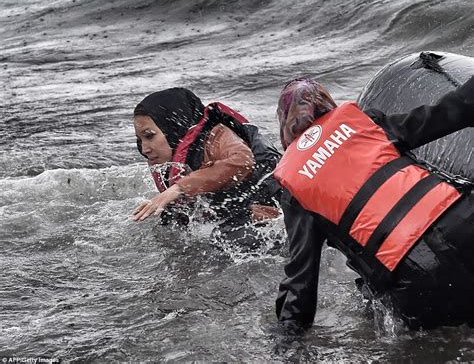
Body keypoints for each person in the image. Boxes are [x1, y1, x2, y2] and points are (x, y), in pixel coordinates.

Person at [273, 76, 474, 330]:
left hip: (418, 277)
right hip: (465, 228)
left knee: (372, 307)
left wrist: (287, 340)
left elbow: (300, 284)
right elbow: (450, 112)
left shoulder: (294, 192)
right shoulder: (365, 123)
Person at [132, 87, 282, 248]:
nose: (144, 148)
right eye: (140, 139)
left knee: (226, 238)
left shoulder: (216, 136)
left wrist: (178, 188)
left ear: (173, 127)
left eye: (149, 136)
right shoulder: (171, 159)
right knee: (169, 221)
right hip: (234, 213)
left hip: (275, 213)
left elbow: (243, 160)